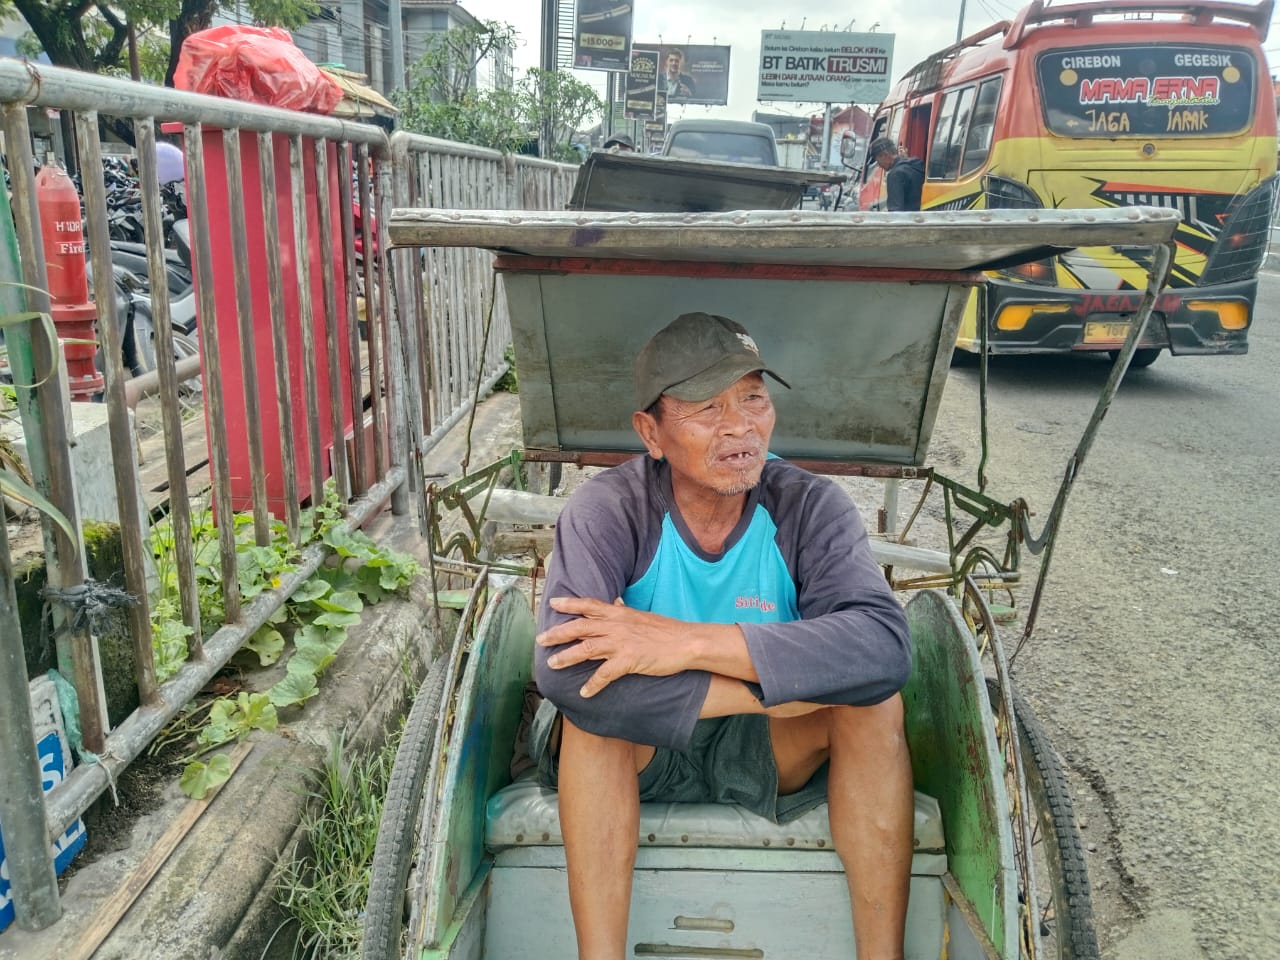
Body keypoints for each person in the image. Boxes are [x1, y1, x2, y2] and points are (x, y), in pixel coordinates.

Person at [532, 311, 915, 960]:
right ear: (650, 433)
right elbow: (565, 673)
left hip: (767, 749)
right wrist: (761, 690)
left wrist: (684, 642)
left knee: (876, 704)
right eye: (707, 408)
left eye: (754, 398)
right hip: (645, 744)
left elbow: (882, 646)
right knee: (588, 722)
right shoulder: (611, 509)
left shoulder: (807, 506)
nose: (740, 426)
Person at [869, 136, 924, 212]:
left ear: (885, 154)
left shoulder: (895, 175)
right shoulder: (917, 163)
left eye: (878, 161)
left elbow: (895, 212)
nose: (879, 165)